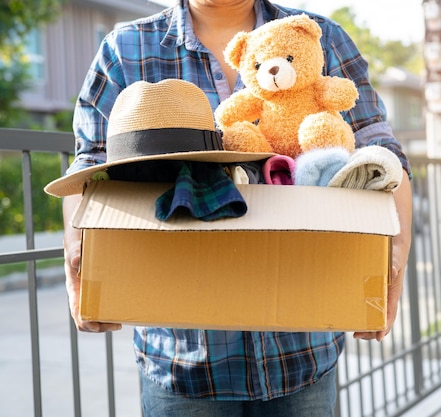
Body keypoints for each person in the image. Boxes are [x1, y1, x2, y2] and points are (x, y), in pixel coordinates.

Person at [62, 0, 413, 415]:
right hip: (182, 356)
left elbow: (380, 150)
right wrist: (81, 263)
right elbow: (91, 166)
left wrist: (394, 262)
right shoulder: (127, 47)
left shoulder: (320, 35)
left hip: (303, 351)